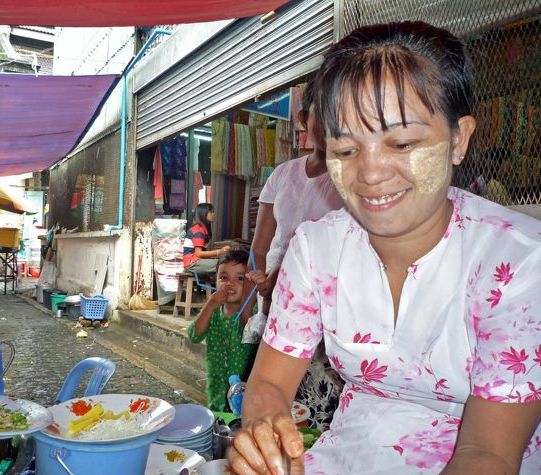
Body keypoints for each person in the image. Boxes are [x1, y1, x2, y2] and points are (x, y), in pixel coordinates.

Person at [229, 21, 540, 475]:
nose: (371, 174)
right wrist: (266, 433)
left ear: (459, 138)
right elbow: (270, 382)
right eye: (346, 150)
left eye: (401, 143)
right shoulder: (316, 248)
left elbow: (487, 454)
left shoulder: (518, 261)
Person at [246, 78, 345, 431]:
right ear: (304, 119)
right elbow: (260, 247)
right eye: (325, 114)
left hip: (322, 308)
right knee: (270, 396)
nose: (335, 123)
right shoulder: (282, 175)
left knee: (315, 407)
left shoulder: (350, 179)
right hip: (268, 301)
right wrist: (256, 291)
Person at [187, 249, 258, 412]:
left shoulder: (254, 314)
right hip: (217, 392)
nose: (230, 283)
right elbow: (194, 336)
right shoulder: (212, 313)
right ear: (215, 281)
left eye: (240, 278)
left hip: (248, 395)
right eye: (224, 278)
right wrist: (210, 305)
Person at [183, 203, 230, 273]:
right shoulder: (199, 230)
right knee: (225, 264)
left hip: (195, 261)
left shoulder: (203, 229)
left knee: (225, 261)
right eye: (211, 212)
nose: (214, 214)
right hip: (192, 263)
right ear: (204, 214)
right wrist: (219, 252)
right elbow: (199, 253)